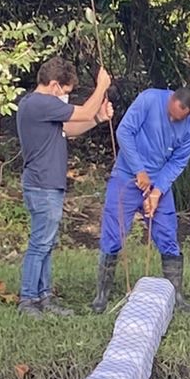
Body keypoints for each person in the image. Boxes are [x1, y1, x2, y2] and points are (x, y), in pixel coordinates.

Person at [16, 57, 114, 318]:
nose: (65, 97)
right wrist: (101, 87)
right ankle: (28, 299)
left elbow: (69, 128)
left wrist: (99, 117)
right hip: (42, 184)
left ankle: (44, 296)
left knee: (47, 244)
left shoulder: (40, 106)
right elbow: (82, 112)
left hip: (48, 184)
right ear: (54, 85)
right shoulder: (39, 102)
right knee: (40, 244)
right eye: (65, 91)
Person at [92, 87, 190, 315]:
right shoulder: (149, 99)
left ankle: (176, 295)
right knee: (113, 234)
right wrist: (139, 170)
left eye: (178, 118)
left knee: (168, 235)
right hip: (126, 176)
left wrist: (157, 191)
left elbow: (178, 161)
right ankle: (101, 296)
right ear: (171, 99)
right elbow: (124, 132)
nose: (173, 120)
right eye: (170, 114)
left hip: (159, 182)